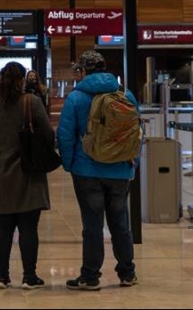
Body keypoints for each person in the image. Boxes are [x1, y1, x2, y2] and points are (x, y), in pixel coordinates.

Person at [57, 50, 140, 291]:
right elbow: (137, 130)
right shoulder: (125, 94)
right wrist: (132, 159)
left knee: (92, 225)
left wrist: (70, 164)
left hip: (87, 171)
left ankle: (90, 277)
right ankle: (127, 273)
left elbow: (65, 134)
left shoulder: (76, 97)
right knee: (121, 223)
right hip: (121, 170)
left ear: (83, 71)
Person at [0, 61, 52, 290]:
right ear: (22, 80)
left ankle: (2, 276)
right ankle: (29, 277)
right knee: (29, 227)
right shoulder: (32, 102)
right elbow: (48, 133)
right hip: (28, 172)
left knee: (2, 226)